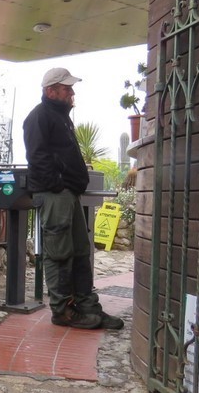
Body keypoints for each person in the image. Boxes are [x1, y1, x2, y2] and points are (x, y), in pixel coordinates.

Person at [23, 67, 124, 330]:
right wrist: (57, 185)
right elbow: (37, 157)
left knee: (80, 252)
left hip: (67, 195)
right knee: (59, 254)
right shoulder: (39, 117)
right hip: (56, 195)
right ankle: (63, 312)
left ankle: (88, 307)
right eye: (67, 89)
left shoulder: (60, 117)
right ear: (51, 91)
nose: (72, 93)